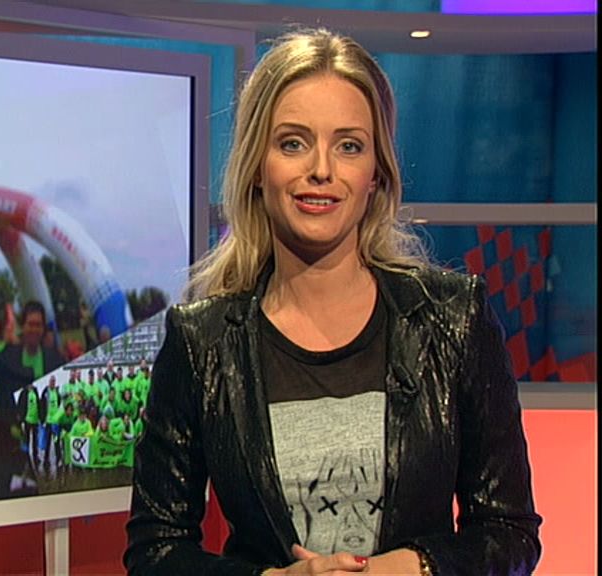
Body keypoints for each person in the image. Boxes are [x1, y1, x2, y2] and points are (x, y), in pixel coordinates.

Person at [125, 28, 541, 576]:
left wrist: (409, 568)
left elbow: (509, 534)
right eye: (293, 143)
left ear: (376, 174)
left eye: (349, 146)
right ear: (256, 168)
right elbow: (155, 549)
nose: (321, 170)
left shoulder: (454, 321)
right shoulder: (202, 343)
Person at [0, 300, 64, 500]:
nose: (34, 329)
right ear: (23, 326)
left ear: (43, 329)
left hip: (40, 444)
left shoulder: (54, 360)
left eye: (38, 325)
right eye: (30, 324)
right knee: (3, 495)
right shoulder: (7, 355)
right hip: (7, 443)